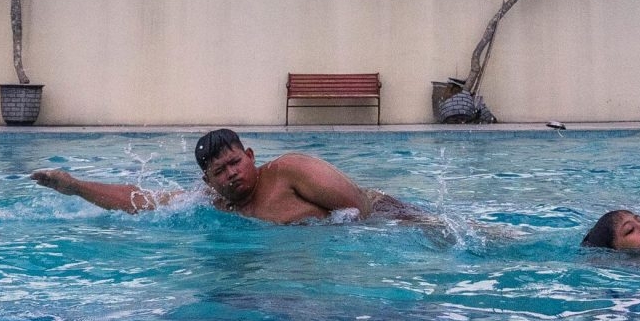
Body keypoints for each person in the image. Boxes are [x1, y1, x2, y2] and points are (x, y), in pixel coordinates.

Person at [32, 128, 418, 226]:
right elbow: (140, 201)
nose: (232, 174)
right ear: (208, 181)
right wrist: (74, 186)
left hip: (393, 217)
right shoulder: (209, 204)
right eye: (220, 171)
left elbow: (362, 207)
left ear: (250, 156)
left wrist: (416, 224)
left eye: (235, 162)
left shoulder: (291, 172)